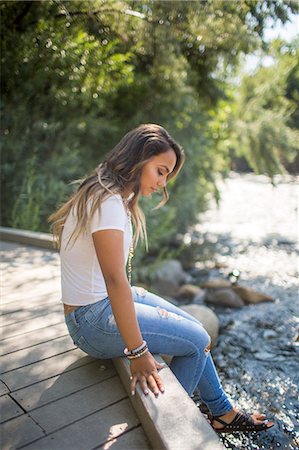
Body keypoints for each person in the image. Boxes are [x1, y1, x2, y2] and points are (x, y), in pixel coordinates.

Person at [49, 123, 274, 434]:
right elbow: (114, 280)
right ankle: (168, 423)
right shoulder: (109, 202)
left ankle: (221, 411)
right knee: (197, 340)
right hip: (92, 320)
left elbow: (115, 283)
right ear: (139, 158)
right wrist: (138, 351)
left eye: (167, 174)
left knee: (194, 331)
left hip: (94, 310)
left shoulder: (105, 192)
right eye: (160, 170)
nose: (162, 182)